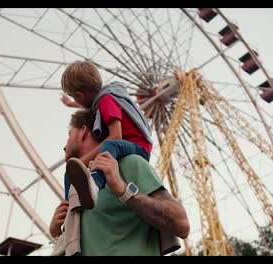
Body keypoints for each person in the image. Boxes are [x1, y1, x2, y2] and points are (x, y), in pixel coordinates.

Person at [49, 109, 189, 256]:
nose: (64, 146)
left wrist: (123, 190)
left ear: (83, 131)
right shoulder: (77, 188)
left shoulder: (130, 164)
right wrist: (58, 234)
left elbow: (181, 224)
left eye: (69, 134)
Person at [60, 61, 185, 210]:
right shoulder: (104, 98)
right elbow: (87, 104)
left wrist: (84, 161)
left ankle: (94, 184)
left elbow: (116, 136)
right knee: (71, 170)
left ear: (80, 96)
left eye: (75, 99)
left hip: (138, 146)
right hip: (126, 146)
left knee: (107, 146)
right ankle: (70, 206)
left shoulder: (106, 101)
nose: (77, 102)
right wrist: (71, 104)